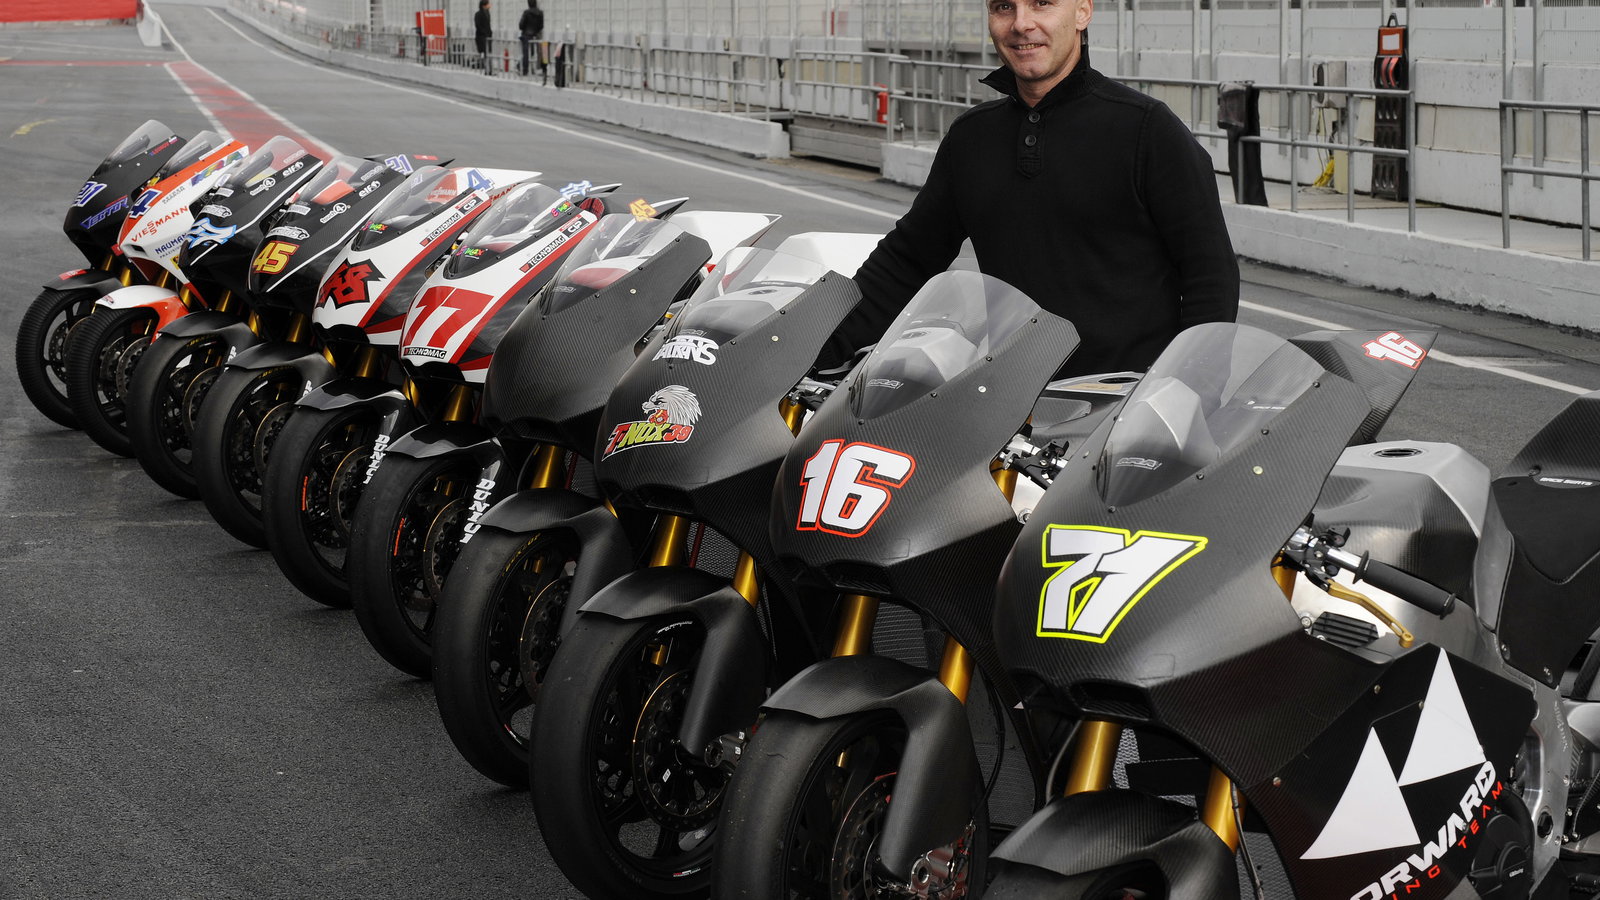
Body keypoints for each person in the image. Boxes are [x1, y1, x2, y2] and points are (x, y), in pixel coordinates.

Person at [821, 0, 1240, 379]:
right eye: (1004, 7)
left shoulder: (1147, 129)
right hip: (1008, 404)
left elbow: (1209, 275)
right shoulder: (972, 137)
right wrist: (813, 351)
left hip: (1123, 408)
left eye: (1042, 3)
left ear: (1082, 12)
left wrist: (1189, 390)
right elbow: (906, 262)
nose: (1021, 24)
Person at [518, 0, 544, 78]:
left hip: (526, 35)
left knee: (526, 53)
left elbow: (521, 25)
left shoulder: (526, 13)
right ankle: (539, 68)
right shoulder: (540, 13)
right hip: (535, 35)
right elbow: (541, 26)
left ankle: (524, 69)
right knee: (534, 52)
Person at [474, 0, 492, 75]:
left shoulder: (488, 13)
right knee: (484, 53)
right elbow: (478, 26)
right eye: (488, 4)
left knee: (488, 53)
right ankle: (486, 70)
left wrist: (490, 33)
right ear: (484, 5)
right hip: (481, 37)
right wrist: (485, 33)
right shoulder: (478, 14)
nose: (490, 5)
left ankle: (489, 70)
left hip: (488, 37)